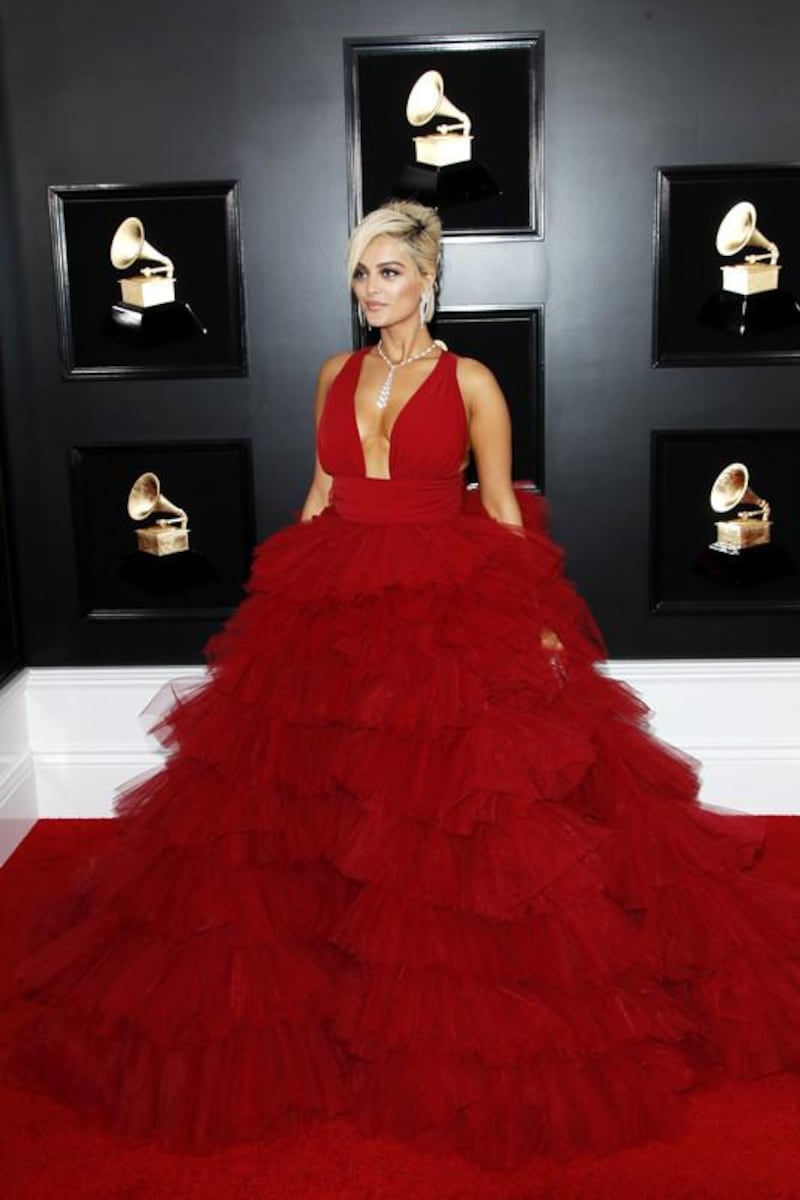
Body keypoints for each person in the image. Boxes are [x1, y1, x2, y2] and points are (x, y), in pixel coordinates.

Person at [9, 199, 800, 1171]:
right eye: (359, 274)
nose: (370, 290)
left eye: (388, 272)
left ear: (428, 280)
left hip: (440, 594)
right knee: (298, 806)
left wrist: (541, 617)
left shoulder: (470, 381)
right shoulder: (333, 374)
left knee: (443, 812)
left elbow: (502, 507)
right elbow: (320, 487)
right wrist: (287, 591)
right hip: (334, 588)